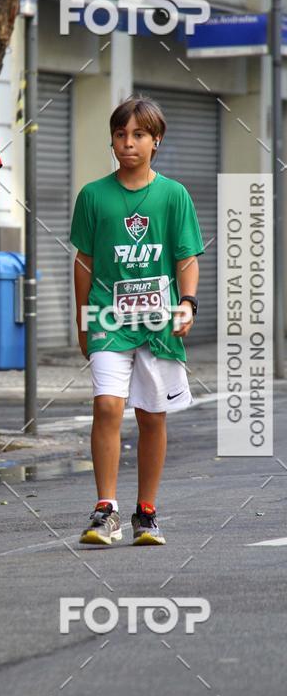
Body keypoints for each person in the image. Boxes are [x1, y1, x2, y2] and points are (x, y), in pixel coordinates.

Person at [70, 96, 204, 547]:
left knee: (152, 415)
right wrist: (83, 320)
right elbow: (84, 262)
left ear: (156, 140)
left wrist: (187, 303)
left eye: (139, 135)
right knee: (107, 405)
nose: (128, 144)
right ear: (111, 139)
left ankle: (146, 513)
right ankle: (105, 509)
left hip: (159, 324)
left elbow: (186, 258)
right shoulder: (93, 195)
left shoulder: (174, 195)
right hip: (109, 317)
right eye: (120, 135)